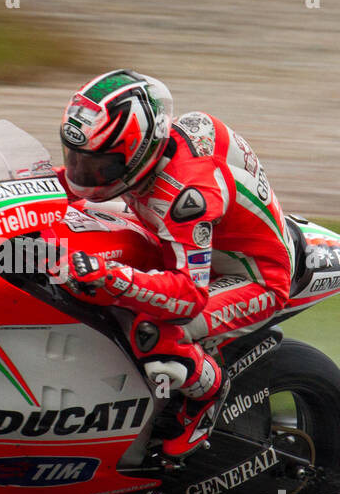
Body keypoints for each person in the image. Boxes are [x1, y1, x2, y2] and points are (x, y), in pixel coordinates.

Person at [56, 69, 294, 458]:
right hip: (181, 242)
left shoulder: (186, 197)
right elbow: (63, 186)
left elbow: (187, 298)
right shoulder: (140, 159)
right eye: (78, 158)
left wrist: (112, 278)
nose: (85, 175)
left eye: (101, 166)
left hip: (250, 276)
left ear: (139, 152)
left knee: (154, 328)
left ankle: (208, 393)